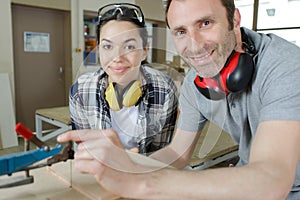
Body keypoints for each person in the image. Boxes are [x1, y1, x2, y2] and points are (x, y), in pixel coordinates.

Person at [58, 0, 300, 199]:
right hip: (246, 181)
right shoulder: (197, 82)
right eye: (181, 32)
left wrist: (145, 184)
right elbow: (178, 153)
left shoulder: (286, 67)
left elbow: (272, 180)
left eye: (205, 23)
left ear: (234, 20)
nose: (194, 46)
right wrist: (129, 165)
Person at [69, 3, 178, 154]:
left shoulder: (165, 89)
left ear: (145, 50)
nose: (117, 58)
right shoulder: (81, 90)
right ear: (99, 49)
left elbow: (161, 152)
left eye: (129, 47)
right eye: (108, 46)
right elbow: (85, 149)